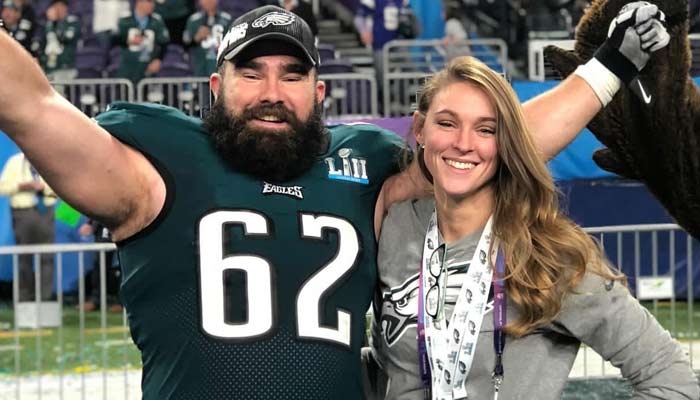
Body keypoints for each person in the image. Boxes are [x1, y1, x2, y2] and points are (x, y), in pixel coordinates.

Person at [0, 3, 666, 398]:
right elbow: (31, 104)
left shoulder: (362, 166)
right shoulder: (154, 167)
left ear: (321, 92)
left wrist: (608, 66)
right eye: (251, 72)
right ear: (214, 85)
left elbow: (493, 147)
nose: (272, 90)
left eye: (293, 74)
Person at [367, 61, 699, 400]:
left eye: (486, 130)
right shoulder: (396, 226)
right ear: (420, 129)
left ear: (507, 141)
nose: (463, 143)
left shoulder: (549, 254)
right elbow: (390, 366)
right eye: (447, 123)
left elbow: (670, 378)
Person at [0, 152, 57, 301]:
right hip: (22, 213)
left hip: (45, 212)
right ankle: (25, 299)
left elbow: (59, 188)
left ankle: (45, 299)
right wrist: (21, 186)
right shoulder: (14, 162)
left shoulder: (47, 159)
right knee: (24, 257)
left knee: (47, 256)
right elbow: (2, 187)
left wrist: (42, 187)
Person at [113, 0, 170, 84]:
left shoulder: (156, 21)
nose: (153, 5)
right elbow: (114, 40)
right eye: (149, 2)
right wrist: (127, 41)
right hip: (128, 68)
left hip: (148, 69)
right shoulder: (125, 20)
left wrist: (158, 60)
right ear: (139, 2)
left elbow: (164, 43)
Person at [78, 219, 122, 312]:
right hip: (103, 229)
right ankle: (96, 300)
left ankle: (122, 302)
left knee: (122, 266)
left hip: (123, 224)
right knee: (99, 265)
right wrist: (89, 223)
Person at [182, 0, 231, 77]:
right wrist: (196, 38)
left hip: (221, 70)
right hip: (199, 69)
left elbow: (233, 43)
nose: (208, 1)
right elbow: (185, 44)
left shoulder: (227, 20)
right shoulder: (193, 20)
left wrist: (222, 46)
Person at [40, 0, 81, 81]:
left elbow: (65, 38)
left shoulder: (72, 21)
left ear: (65, 7)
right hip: (49, 67)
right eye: (54, 6)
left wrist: (55, 24)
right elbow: (44, 43)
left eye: (59, 6)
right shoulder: (49, 24)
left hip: (65, 67)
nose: (56, 9)